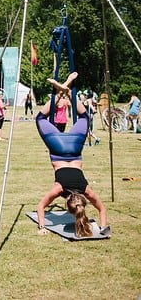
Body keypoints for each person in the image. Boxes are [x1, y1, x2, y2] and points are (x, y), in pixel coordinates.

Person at [35, 72, 108, 238]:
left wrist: (104, 227)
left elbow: (102, 208)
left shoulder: (86, 189)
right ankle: (63, 89)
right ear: (66, 204)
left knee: (85, 116)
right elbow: (41, 206)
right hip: (57, 148)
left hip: (75, 148)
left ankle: (66, 89)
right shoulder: (59, 188)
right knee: (40, 118)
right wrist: (42, 227)